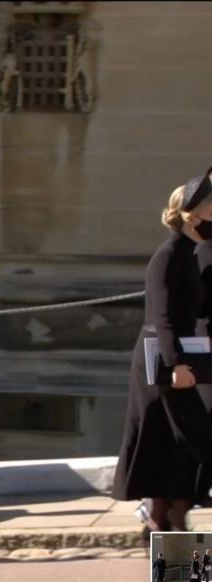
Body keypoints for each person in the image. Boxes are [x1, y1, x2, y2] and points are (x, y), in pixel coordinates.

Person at [112, 177, 212, 537]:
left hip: (179, 361)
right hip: (165, 365)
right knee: (173, 454)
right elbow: (163, 318)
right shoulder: (168, 255)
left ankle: (177, 566)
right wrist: (177, 365)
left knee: (180, 461)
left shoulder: (188, 253)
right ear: (191, 215)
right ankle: (178, 569)